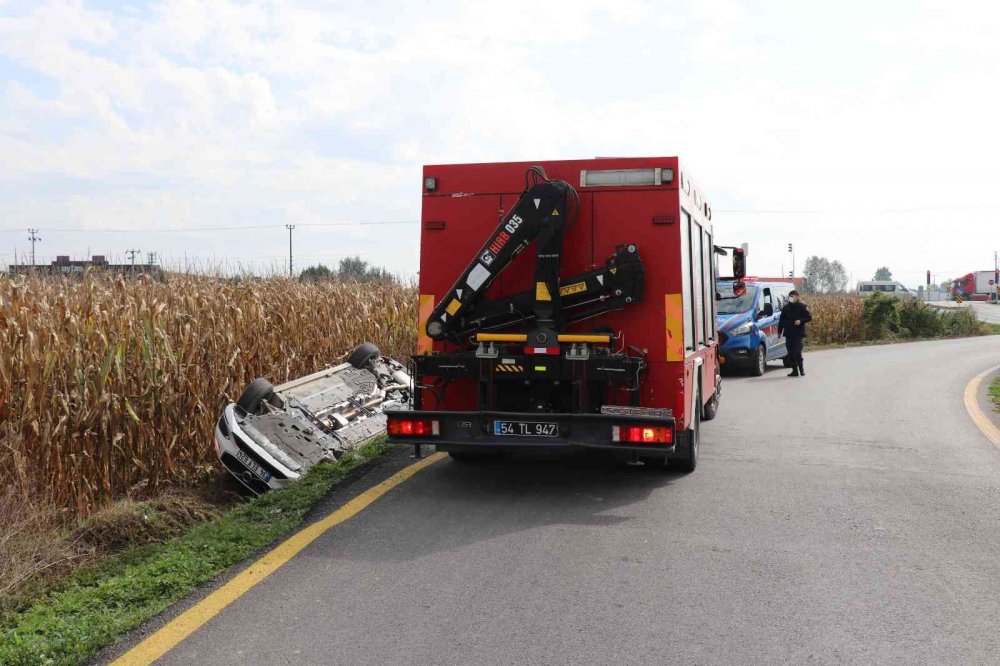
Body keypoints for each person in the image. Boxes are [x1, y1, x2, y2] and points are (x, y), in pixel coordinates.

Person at [778, 289, 813, 377]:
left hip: (798, 333)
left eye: (793, 296)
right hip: (788, 333)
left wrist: (800, 321)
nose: (791, 298)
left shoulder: (802, 307)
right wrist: (779, 331)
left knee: (797, 352)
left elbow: (809, 317)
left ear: (797, 297)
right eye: (790, 296)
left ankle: (801, 369)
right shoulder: (785, 308)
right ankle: (794, 371)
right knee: (790, 353)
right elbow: (781, 321)